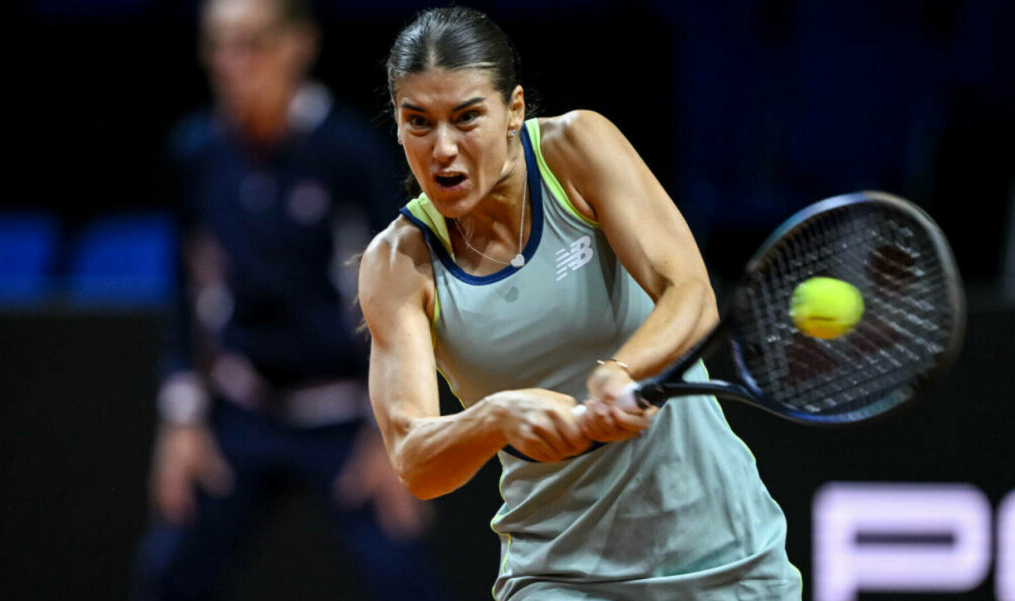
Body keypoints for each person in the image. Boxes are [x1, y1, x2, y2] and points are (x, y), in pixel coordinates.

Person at [359, 7, 802, 600]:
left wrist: (621, 372)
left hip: (725, 554)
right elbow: (415, 460)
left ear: (514, 110)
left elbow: (691, 295)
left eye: (467, 118)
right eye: (418, 122)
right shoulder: (396, 264)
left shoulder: (575, 149)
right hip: (560, 577)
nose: (442, 149)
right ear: (397, 124)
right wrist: (496, 416)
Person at [131, 1, 443, 599]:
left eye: (249, 44)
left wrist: (395, 431)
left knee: (404, 578)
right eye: (217, 45)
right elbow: (188, 290)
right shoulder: (196, 153)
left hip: (348, 418)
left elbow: (405, 299)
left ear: (298, 45)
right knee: (166, 575)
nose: (230, 63)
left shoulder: (351, 153)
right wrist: (182, 421)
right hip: (242, 409)